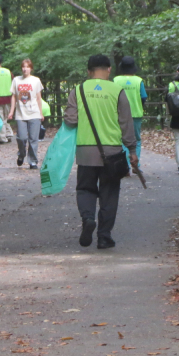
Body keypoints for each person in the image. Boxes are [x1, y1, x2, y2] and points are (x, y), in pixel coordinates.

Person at [64, 54, 137, 249]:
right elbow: (126, 123)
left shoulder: (78, 90)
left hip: (86, 152)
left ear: (88, 72)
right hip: (112, 152)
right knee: (110, 193)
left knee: (85, 189)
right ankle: (104, 236)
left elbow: (70, 120)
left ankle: (88, 218)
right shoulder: (117, 90)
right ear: (109, 70)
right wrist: (132, 149)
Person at [8, 59, 44, 170]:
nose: (25, 69)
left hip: (34, 113)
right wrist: (11, 111)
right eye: (23, 66)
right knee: (21, 138)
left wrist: (41, 113)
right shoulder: (16, 80)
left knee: (33, 138)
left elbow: (38, 97)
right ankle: (21, 154)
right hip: (21, 114)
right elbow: (13, 96)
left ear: (31, 68)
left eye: (27, 67)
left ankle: (33, 161)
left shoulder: (36, 80)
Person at [113, 56, 147, 166]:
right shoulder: (139, 81)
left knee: (121, 139)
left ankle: (125, 165)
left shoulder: (116, 80)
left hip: (119, 114)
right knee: (136, 140)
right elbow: (143, 97)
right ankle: (135, 164)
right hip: (136, 114)